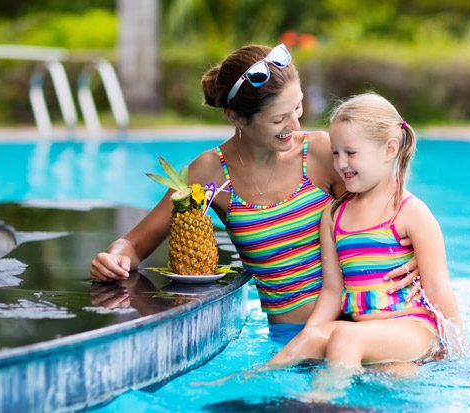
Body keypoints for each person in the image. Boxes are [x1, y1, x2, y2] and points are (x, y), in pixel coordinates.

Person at [90, 44, 419, 343]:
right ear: (236, 117)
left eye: (298, 108)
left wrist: (417, 258)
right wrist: (115, 258)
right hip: (288, 337)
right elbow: (134, 244)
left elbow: (393, 210)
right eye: (279, 118)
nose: (295, 123)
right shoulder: (211, 172)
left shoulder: (321, 153)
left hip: (359, 328)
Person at [267, 93, 464, 376]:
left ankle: (321, 404)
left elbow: (439, 289)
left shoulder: (411, 213)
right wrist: (310, 336)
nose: (341, 163)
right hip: (367, 332)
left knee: (346, 338)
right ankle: (246, 382)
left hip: (413, 327)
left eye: (351, 152)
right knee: (323, 341)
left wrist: (459, 353)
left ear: (389, 149)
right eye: (336, 153)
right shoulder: (334, 216)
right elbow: (333, 291)